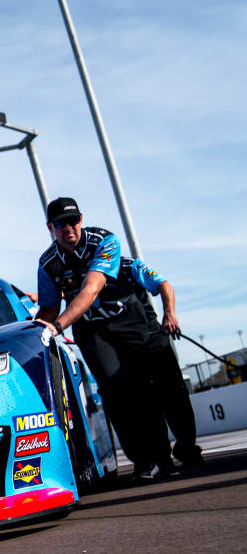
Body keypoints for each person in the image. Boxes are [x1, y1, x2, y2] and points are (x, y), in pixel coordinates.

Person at [33, 197, 175, 480]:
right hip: (91, 329)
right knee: (115, 390)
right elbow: (49, 308)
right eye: (60, 224)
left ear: (81, 220)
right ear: (51, 227)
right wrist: (34, 329)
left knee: (144, 387)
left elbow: (91, 288)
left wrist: (57, 327)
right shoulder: (47, 263)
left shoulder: (105, 241)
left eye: (73, 221)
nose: (68, 228)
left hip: (127, 319)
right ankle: (142, 461)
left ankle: (163, 456)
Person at [126, 258, 204, 465]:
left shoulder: (129, 265)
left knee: (176, 394)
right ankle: (161, 455)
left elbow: (164, 285)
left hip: (152, 334)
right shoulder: (85, 275)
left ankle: (187, 447)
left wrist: (169, 313)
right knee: (145, 401)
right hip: (123, 345)